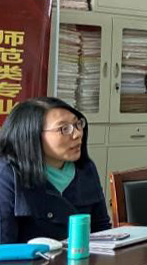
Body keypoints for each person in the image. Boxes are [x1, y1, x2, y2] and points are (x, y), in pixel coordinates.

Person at [0, 97, 111, 243]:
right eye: (64, 129)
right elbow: (4, 246)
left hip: (82, 256)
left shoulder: (85, 168)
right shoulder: (7, 174)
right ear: (31, 134)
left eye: (78, 124)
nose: (78, 134)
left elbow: (101, 231)